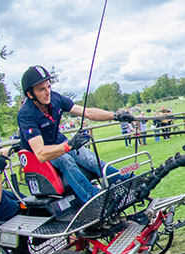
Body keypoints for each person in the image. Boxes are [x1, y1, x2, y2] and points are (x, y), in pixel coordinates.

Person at [17, 65, 135, 203]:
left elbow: (88, 112)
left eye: (48, 86)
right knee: (65, 160)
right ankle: (94, 197)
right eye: (42, 89)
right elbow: (41, 153)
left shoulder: (55, 99)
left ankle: (127, 180)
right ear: (30, 94)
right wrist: (69, 146)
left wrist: (115, 116)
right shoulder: (26, 114)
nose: (47, 92)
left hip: (59, 142)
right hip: (40, 155)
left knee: (89, 158)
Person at [0, 148, 23, 222]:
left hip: (4, 195)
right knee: (24, 208)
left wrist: (16, 147)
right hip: (0, 208)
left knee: (27, 201)